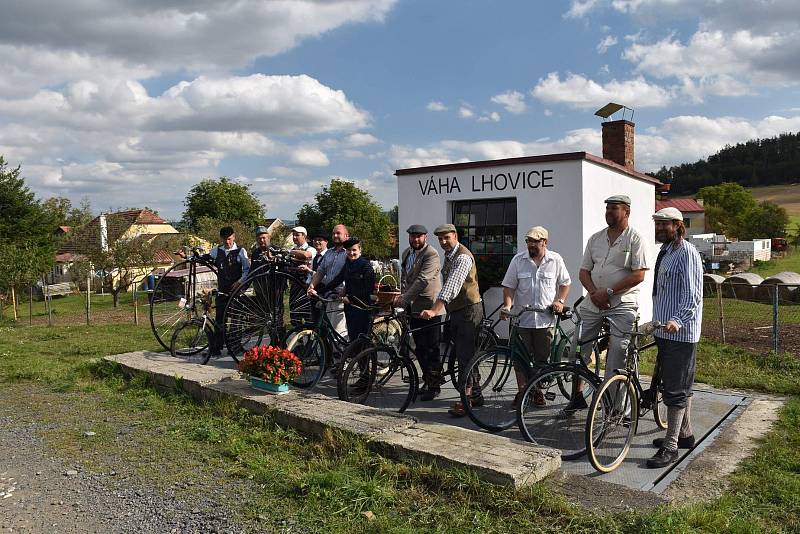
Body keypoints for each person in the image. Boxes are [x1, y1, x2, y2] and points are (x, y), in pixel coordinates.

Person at [570, 194, 649, 412]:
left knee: (617, 352)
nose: (609, 213)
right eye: (607, 209)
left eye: (614, 208)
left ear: (626, 212)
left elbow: (639, 275)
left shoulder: (635, 239)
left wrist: (610, 292)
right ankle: (576, 395)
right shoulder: (596, 238)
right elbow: (584, 272)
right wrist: (596, 293)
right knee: (577, 347)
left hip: (622, 302)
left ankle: (615, 408)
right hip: (594, 300)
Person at [647, 207, 703, 468]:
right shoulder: (666, 251)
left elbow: (693, 296)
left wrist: (678, 320)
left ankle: (671, 448)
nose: (659, 228)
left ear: (678, 225)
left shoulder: (686, 253)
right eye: (657, 224)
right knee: (679, 384)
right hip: (664, 330)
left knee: (675, 390)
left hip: (680, 333)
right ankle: (685, 434)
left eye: (663, 224)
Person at [500, 226, 570, 405]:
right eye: (528, 241)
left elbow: (565, 283)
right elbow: (509, 286)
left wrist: (560, 301)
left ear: (544, 242)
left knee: (541, 360)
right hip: (522, 319)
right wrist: (508, 305)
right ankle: (523, 392)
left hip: (545, 321)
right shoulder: (518, 260)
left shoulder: (555, 260)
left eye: (535, 241)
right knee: (519, 359)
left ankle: (537, 390)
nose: (530, 244)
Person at [420, 224, 482, 417]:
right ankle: (477, 393)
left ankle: (466, 400)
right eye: (440, 239)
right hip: (457, 310)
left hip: (468, 310)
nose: (443, 242)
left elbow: (452, 287)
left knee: (465, 356)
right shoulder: (449, 256)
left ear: (455, 236)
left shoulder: (462, 257)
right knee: (465, 352)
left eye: (447, 238)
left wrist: (434, 309)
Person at [395, 224, 442, 400]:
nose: (415, 239)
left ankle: (434, 384)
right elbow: (405, 278)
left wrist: (405, 297)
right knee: (420, 347)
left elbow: (423, 279)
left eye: (419, 236)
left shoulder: (431, 254)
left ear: (425, 237)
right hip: (413, 307)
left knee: (432, 347)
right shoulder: (407, 253)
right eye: (413, 236)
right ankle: (427, 379)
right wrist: (401, 295)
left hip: (430, 306)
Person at [204, 226, 250, 357]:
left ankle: (235, 347)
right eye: (225, 240)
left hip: (236, 291)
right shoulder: (217, 250)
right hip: (222, 290)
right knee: (220, 320)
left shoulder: (241, 251)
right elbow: (205, 258)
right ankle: (217, 347)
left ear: (233, 237)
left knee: (236, 320)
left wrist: (240, 282)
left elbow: (247, 269)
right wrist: (189, 256)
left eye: (229, 239)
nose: (227, 242)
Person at [307, 224, 350, 338]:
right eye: (333, 233)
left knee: (339, 332)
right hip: (328, 296)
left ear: (346, 236)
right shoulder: (329, 253)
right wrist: (312, 285)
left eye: (338, 233)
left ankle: (341, 354)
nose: (335, 236)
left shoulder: (349, 253)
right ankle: (330, 354)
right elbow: (320, 272)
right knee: (327, 330)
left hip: (341, 296)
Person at [340, 238, 376, 343]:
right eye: (349, 250)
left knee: (361, 339)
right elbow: (337, 279)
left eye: (354, 250)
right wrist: (317, 290)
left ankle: (365, 359)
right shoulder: (347, 264)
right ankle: (356, 358)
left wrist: (350, 297)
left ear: (360, 250)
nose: (351, 253)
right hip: (350, 307)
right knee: (353, 337)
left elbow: (368, 289)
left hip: (362, 307)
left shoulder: (365, 265)